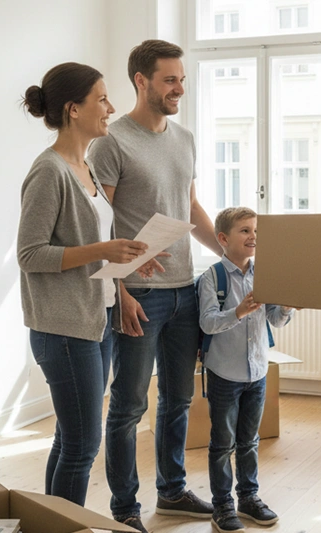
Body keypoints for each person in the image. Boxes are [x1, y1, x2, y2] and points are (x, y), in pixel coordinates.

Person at [88, 39, 221, 532]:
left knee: (180, 398)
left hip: (185, 287)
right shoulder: (111, 141)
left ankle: (172, 491)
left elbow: (190, 207)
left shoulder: (184, 138)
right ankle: (125, 508)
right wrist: (118, 290)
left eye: (182, 79)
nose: (179, 88)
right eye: (169, 80)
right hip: (138, 294)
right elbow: (100, 223)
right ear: (141, 82)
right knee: (128, 404)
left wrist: (231, 253)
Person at [17, 62, 161, 506]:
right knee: (82, 446)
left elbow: (94, 244)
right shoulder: (50, 172)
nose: (111, 107)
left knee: (69, 437)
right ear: (73, 109)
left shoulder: (87, 168)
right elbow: (30, 254)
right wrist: (103, 251)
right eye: (102, 98)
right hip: (62, 330)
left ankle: (52, 522)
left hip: (93, 321)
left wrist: (127, 265)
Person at [198, 207, 295, 533]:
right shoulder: (212, 277)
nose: (253, 236)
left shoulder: (263, 273)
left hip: (257, 371)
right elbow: (208, 323)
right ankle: (223, 505)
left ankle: (249, 497)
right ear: (223, 239)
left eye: (256, 230)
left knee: (250, 441)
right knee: (223, 442)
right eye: (244, 230)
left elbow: (275, 320)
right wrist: (238, 312)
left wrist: (287, 305)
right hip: (224, 374)